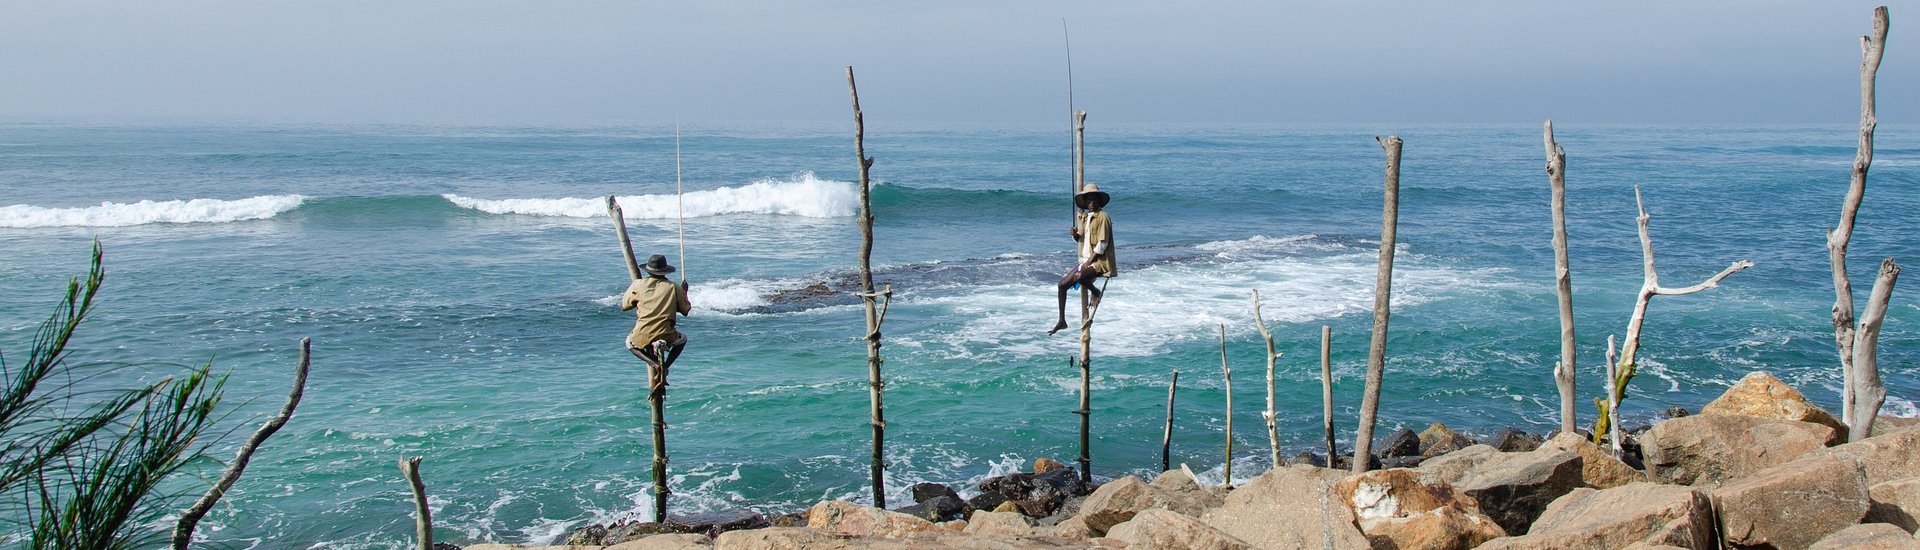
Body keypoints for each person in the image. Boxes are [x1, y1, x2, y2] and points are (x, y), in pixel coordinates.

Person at [1050, 182, 1116, 335]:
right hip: (1085, 259)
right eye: (1089, 200)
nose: (1091, 202)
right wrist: (1075, 235)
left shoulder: (1103, 217)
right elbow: (1082, 239)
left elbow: (1102, 244)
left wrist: (1088, 262)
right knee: (1062, 285)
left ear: (1099, 201)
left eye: (1094, 199)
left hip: (1100, 262)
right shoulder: (1085, 218)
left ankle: (1095, 292)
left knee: (1080, 276)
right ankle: (1062, 320)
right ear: (1085, 202)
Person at [623, 254, 691, 389]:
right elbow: (685, 310)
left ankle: (655, 365)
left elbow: (625, 306)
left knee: (630, 344)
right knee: (682, 339)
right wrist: (684, 292)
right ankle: (665, 367)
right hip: (666, 334)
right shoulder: (673, 287)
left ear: (648, 270)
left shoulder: (637, 284)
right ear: (665, 271)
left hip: (642, 334)